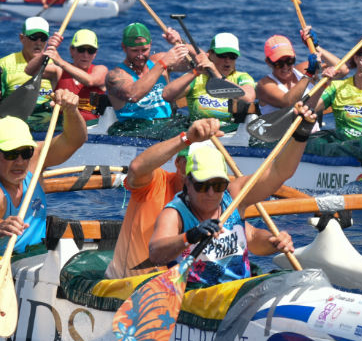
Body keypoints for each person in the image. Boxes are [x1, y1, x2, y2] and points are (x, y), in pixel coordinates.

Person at [104, 103, 317, 281]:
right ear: (181, 166)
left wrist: (300, 136)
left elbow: (276, 176)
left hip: (211, 294)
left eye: (218, 184)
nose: (211, 193)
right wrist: (187, 138)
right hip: (135, 286)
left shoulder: (229, 197)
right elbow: (136, 168)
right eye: (202, 184)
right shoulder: (158, 188)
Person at [0, 90, 87, 256]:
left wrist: (71, 111)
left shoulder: (35, 162)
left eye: (25, 153)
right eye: (11, 154)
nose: (19, 162)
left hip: (33, 254)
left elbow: (75, 139)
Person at [103, 22, 194, 122]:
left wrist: (180, 43)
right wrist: (162, 64)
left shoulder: (158, 61)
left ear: (150, 44)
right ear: (124, 48)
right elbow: (133, 95)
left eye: (144, 50)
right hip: (134, 130)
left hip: (167, 124)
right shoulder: (114, 76)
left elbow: (199, 62)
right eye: (135, 50)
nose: (140, 55)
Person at [162, 32, 255, 122]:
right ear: (209, 55)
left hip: (231, 134)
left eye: (232, 56)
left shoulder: (242, 77)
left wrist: (217, 75)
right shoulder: (197, 77)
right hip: (199, 133)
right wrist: (195, 72)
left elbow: (249, 98)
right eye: (222, 55)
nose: (227, 60)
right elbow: (166, 95)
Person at [0, 16, 56, 110]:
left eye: (43, 38)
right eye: (34, 37)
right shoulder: (3, 65)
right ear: (21, 38)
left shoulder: (55, 66)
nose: (38, 43)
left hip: (46, 119)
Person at [42, 29, 108, 121]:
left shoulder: (101, 70)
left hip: (91, 129)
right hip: (62, 126)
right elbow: (31, 70)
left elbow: (90, 81)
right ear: (72, 50)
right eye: (81, 50)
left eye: (91, 51)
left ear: (95, 53)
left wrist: (60, 61)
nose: (85, 55)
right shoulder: (58, 71)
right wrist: (45, 48)